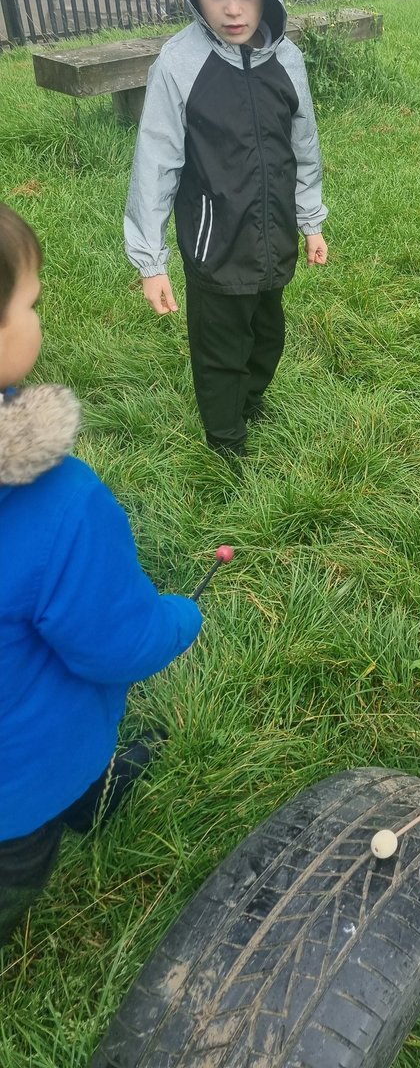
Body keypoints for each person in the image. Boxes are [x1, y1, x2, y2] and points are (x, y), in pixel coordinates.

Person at [0, 203, 203, 946]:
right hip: (20, 788)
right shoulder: (58, 505)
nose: (38, 315)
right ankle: (80, 792)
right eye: (30, 302)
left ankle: (95, 787)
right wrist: (181, 617)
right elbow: (117, 642)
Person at [125, 0, 328, 458]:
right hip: (214, 247)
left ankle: (251, 399)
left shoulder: (288, 62)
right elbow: (156, 162)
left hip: (273, 239)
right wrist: (151, 260)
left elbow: (304, 144)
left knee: (267, 337)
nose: (233, 9)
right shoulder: (179, 65)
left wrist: (310, 220)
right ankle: (226, 442)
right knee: (219, 350)